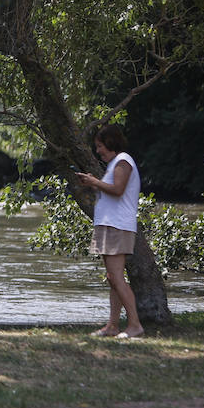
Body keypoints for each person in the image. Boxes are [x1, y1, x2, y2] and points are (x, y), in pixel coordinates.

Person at [75, 125, 145, 339]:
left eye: (100, 146)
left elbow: (118, 190)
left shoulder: (123, 161)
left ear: (111, 143)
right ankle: (112, 326)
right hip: (109, 225)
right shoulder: (115, 163)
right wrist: (94, 184)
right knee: (112, 278)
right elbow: (111, 190)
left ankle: (135, 325)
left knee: (116, 277)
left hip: (117, 226)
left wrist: (95, 182)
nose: (98, 151)